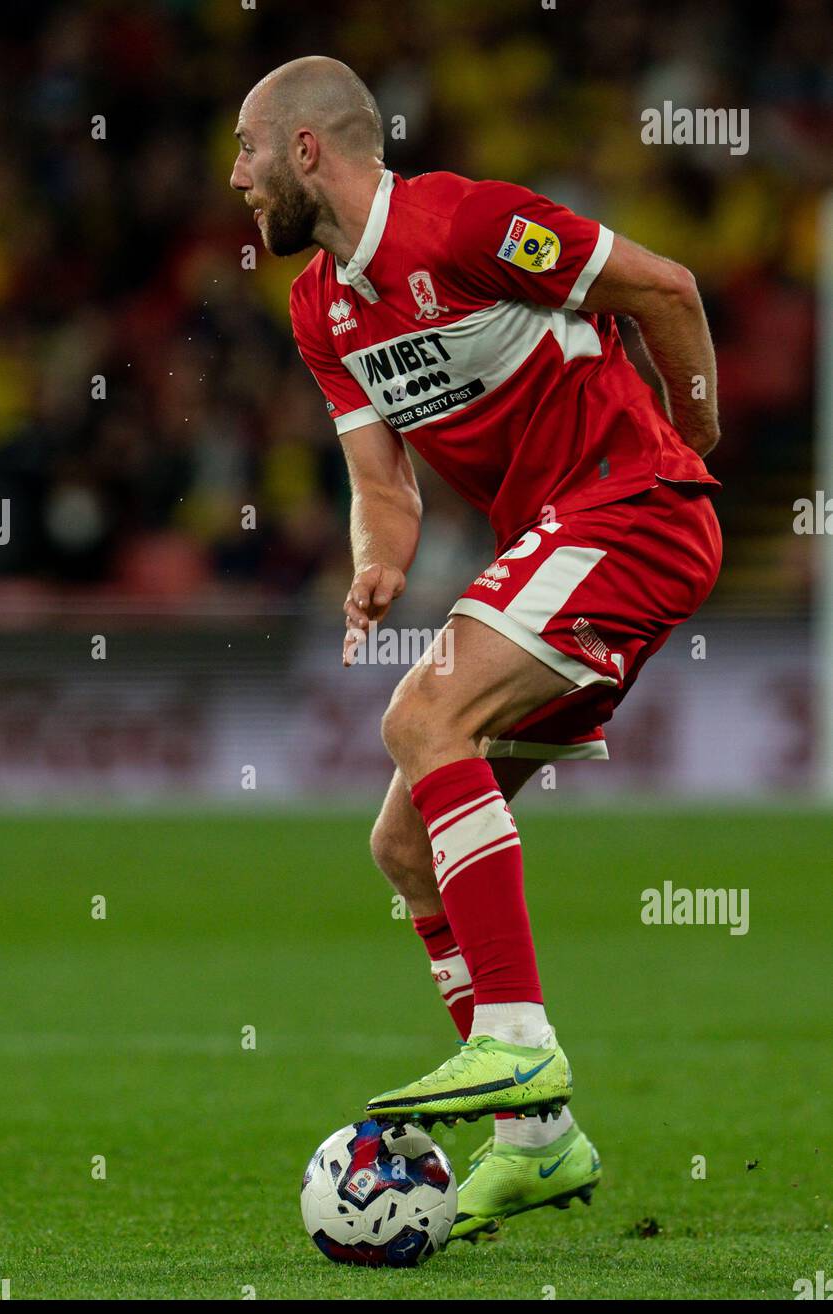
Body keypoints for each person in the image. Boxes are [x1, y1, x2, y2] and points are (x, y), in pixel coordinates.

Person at [231, 56, 722, 1241]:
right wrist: (374, 561)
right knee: (401, 843)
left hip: (632, 509)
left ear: (307, 150)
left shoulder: (470, 223)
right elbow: (381, 488)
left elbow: (665, 286)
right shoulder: (319, 307)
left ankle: (511, 1042)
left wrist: (696, 447)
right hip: (567, 546)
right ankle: (538, 1143)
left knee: (420, 718)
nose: (234, 179)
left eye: (246, 151)